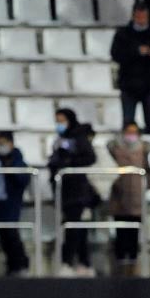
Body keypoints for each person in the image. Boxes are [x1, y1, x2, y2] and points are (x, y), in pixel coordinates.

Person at [47, 108, 98, 277]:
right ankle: (84, 262)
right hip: (64, 190)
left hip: (77, 190)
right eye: (57, 121)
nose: (59, 124)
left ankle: (69, 261)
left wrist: (69, 162)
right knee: (76, 227)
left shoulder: (79, 137)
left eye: (61, 120)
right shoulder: (60, 139)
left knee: (73, 227)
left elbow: (90, 157)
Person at [107, 121, 150, 274]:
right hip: (119, 194)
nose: (131, 135)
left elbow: (148, 169)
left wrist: (149, 184)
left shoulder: (144, 149)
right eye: (128, 132)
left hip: (136, 195)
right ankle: (120, 262)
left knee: (134, 231)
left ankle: (133, 262)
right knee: (121, 231)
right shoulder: (114, 148)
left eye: (134, 132)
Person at [0, 131, 31, 276]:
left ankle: (21, 264)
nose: (0, 146)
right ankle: (12, 265)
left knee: (12, 234)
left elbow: (22, 180)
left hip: (11, 203)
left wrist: (9, 168)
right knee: (3, 235)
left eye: (3, 143)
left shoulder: (17, 161)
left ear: (11, 143)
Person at [111, 3, 150, 129]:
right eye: (139, 17)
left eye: (144, 17)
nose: (141, 20)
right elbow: (115, 54)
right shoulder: (123, 34)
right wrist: (136, 51)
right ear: (133, 16)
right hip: (129, 84)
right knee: (128, 123)